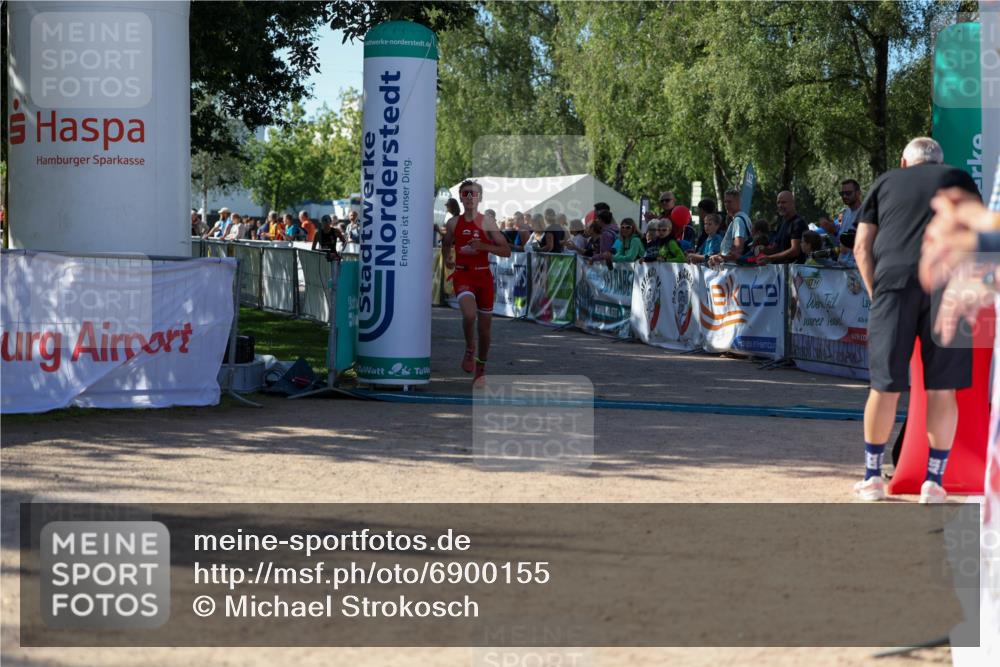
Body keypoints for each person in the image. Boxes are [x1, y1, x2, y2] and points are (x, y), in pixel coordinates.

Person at [852, 137, 980, 504]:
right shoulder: (960, 178)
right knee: (942, 389)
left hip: (894, 283)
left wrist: (879, 295)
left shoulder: (885, 181)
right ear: (940, 163)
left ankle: (873, 478)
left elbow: (861, 246)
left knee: (885, 385)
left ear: (905, 163)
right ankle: (933, 483)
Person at [441, 180, 511, 383]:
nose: (470, 197)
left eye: (473, 194)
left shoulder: (487, 222)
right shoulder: (453, 222)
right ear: (461, 198)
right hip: (463, 275)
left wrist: (483, 246)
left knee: (485, 330)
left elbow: (506, 250)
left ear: (479, 198)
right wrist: (448, 258)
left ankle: (481, 367)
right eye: (465, 194)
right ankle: (470, 348)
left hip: (483, 276)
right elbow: (446, 244)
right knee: (469, 315)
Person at [759, 191, 807, 264]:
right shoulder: (782, 224)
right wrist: (761, 249)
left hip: (795, 272)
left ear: (793, 203)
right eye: (778, 202)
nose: (780, 205)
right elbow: (777, 249)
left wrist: (769, 258)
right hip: (780, 271)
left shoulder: (798, 223)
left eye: (784, 202)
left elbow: (795, 251)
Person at [708, 190, 752, 267]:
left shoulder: (738, 220)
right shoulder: (744, 218)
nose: (727, 205)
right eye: (725, 202)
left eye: (729, 202)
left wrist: (721, 258)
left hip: (733, 268)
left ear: (738, 202)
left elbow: (738, 249)